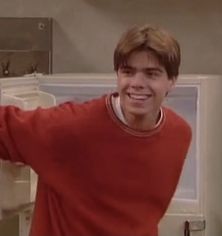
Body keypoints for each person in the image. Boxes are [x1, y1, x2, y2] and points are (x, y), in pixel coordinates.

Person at [0, 25, 191, 236]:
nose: (137, 83)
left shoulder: (179, 134)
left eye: (151, 74)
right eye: (128, 72)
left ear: (172, 81)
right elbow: (6, 126)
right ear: (117, 75)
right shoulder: (72, 127)